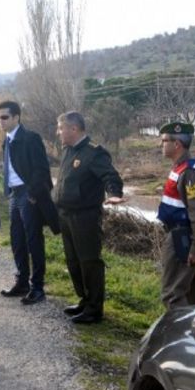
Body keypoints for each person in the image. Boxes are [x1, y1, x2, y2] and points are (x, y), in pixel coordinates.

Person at [54, 111, 125, 324]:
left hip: (85, 216)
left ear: (73, 129)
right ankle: (84, 300)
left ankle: (94, 309)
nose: (58, 132)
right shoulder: (68, 151)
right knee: (73, 261)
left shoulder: (94, 153)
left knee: (89, 262)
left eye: (61, 128)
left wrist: (113, 194)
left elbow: (110, 176)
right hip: (66, 215)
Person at [0, 100, 59, 305]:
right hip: (14, 194)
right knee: (17, 240)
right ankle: (21, 281)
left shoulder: (30, 138)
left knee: (33, 241)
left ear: (16, 117)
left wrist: (32, 194)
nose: (0, 121)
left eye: (4, 117)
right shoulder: (6, 140)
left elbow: (42, 170)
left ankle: (37, 287)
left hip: (28, 194)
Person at [156, 122, 195, 308]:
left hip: (183, 239)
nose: (161, 144)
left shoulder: (189, 173)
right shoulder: (181, 168)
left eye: (164, 141)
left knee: (172, 294)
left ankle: (180, 333)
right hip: (186, 237)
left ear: (177, 144)